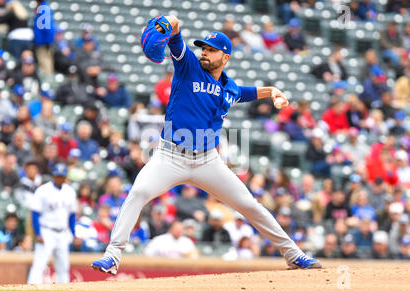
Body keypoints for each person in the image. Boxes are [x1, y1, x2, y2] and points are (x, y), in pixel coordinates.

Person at [92, 15, 321, 275]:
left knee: (249, 205)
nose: (205, 53)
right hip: (170, 157)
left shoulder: (229, 87)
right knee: (138, 193)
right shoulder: (188, 66)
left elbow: (244, 92)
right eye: (204, 48)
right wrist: (171, 22)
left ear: (225, 58)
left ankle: (293, 254)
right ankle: (113, 255)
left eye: (212, 50)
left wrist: (270, 91)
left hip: (207, 161)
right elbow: (175, 35)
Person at [27, 163, 79, 284]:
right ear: (53, 176)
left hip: (62, 232)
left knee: (63, 267)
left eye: (62, 176)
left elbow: (72, 215)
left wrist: (73, 233)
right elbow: (35, 213)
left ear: (65, 177)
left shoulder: (70, 191)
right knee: (39, 264)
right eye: (57, 175)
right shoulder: (43, 190)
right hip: (46, 231)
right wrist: (38, 233)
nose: (59, 178)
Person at [33, 0, 55, 75]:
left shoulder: (43, 7)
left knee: (45, 65)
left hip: (43, 43)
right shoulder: (42, 7)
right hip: (42, 42)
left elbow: (46, 26)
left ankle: (48, 83)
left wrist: (48, 42)